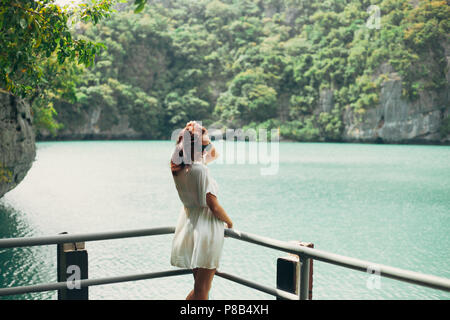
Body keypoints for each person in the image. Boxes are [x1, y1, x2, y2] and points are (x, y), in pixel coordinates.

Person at [169, 121, 233, 300]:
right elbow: (213, 205)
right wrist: (229, 222)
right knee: (203, 288)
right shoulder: (200, 170)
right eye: (204, 143)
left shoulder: (180, 168)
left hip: (190, 225)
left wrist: (196, 133)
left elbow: (214, 154)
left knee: (199, 287)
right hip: (206, 228)